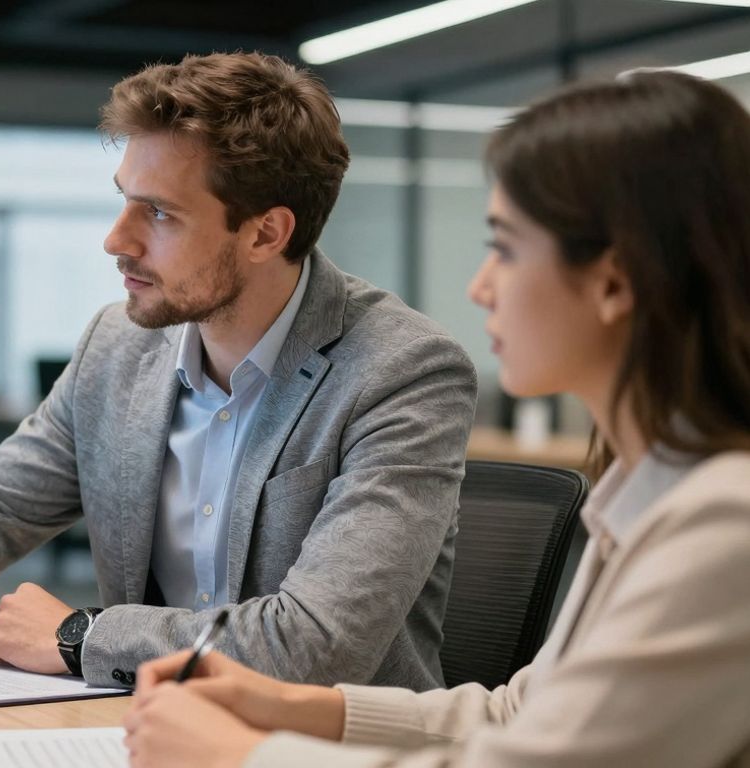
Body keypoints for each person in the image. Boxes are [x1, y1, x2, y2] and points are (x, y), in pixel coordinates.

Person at [0, 52, 477, 691]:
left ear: (267, 233)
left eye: (159, 213)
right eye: (123, 199)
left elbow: (317, 646)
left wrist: (80, 635)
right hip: (147, 735)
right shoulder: (119, 348)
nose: (115, 239)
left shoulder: (401, 371)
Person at [122, 69, 750, 767]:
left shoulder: (725, 524)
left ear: (613, 281)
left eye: (505, 249)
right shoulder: (648, 495)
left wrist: (242, 755)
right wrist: (289, 707)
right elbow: (520, 714)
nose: (480, 288)